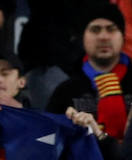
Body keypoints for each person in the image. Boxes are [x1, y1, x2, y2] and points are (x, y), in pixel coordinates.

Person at [47, 5, 132, 139]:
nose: (103, 37)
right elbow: (49, 139)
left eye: (111, 29)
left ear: (122, 36)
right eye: (95, 29)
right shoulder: (65, 91)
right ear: (83, 37)